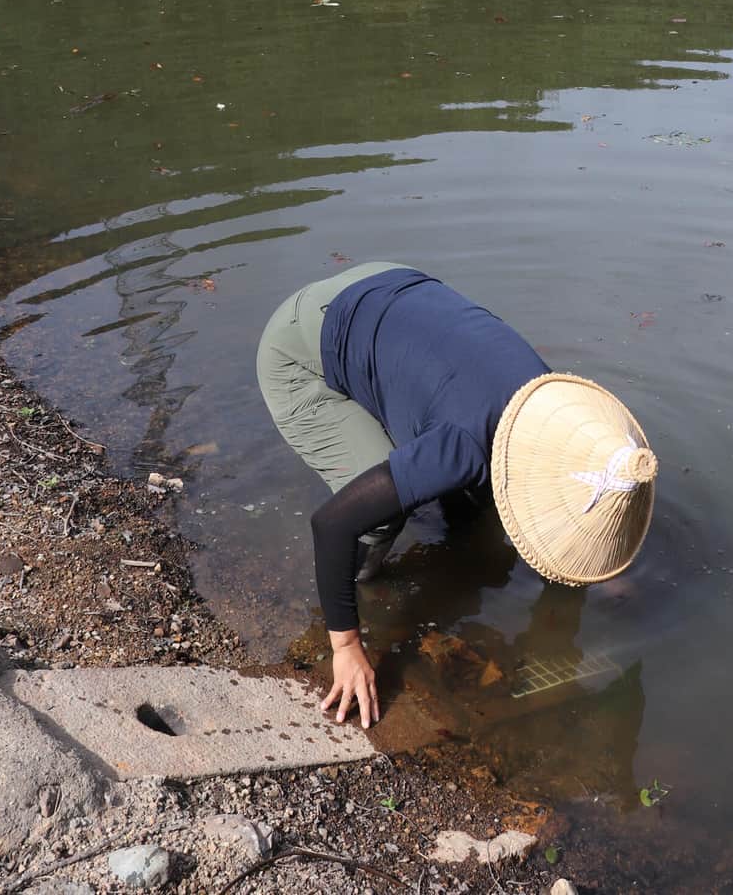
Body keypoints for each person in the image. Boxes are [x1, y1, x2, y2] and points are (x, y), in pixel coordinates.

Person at [256, 262, 658, 730]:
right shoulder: (462, 448)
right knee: (378, 518)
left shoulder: (551, 401)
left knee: (471, 503)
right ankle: (363, 585)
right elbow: (331, 523)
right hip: (300, 348)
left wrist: (592, 566)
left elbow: (570, 483)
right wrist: (345, 646)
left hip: (386, 286)